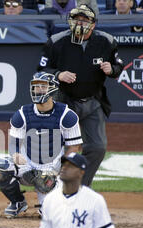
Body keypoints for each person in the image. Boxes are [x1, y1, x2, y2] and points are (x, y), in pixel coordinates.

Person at [37, 4, 124, 187]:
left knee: (97, 147)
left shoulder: (107, 41)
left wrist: (112, 69)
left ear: (93, 24)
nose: (80, 23)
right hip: (64, 101)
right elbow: (41, 69)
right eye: (77, 18)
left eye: (85, 20)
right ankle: (51, 187)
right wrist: (58, 74)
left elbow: (118, 66)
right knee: (56, 146)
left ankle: (80, 188)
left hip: (93, 101)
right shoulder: (56, 41)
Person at [0, 72, 82, 218]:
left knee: (48, 214)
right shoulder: (22, 114)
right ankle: (18, 202)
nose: (38, 90)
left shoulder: (67, 115)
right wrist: (15, 154)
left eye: (43, 86)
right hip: (27, 164)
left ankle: (48, 200)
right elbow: (14, 143)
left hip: (51, 167)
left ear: (53, 89)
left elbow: (74, 147)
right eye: (35, 87)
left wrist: (62, 170)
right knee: (1, 167)